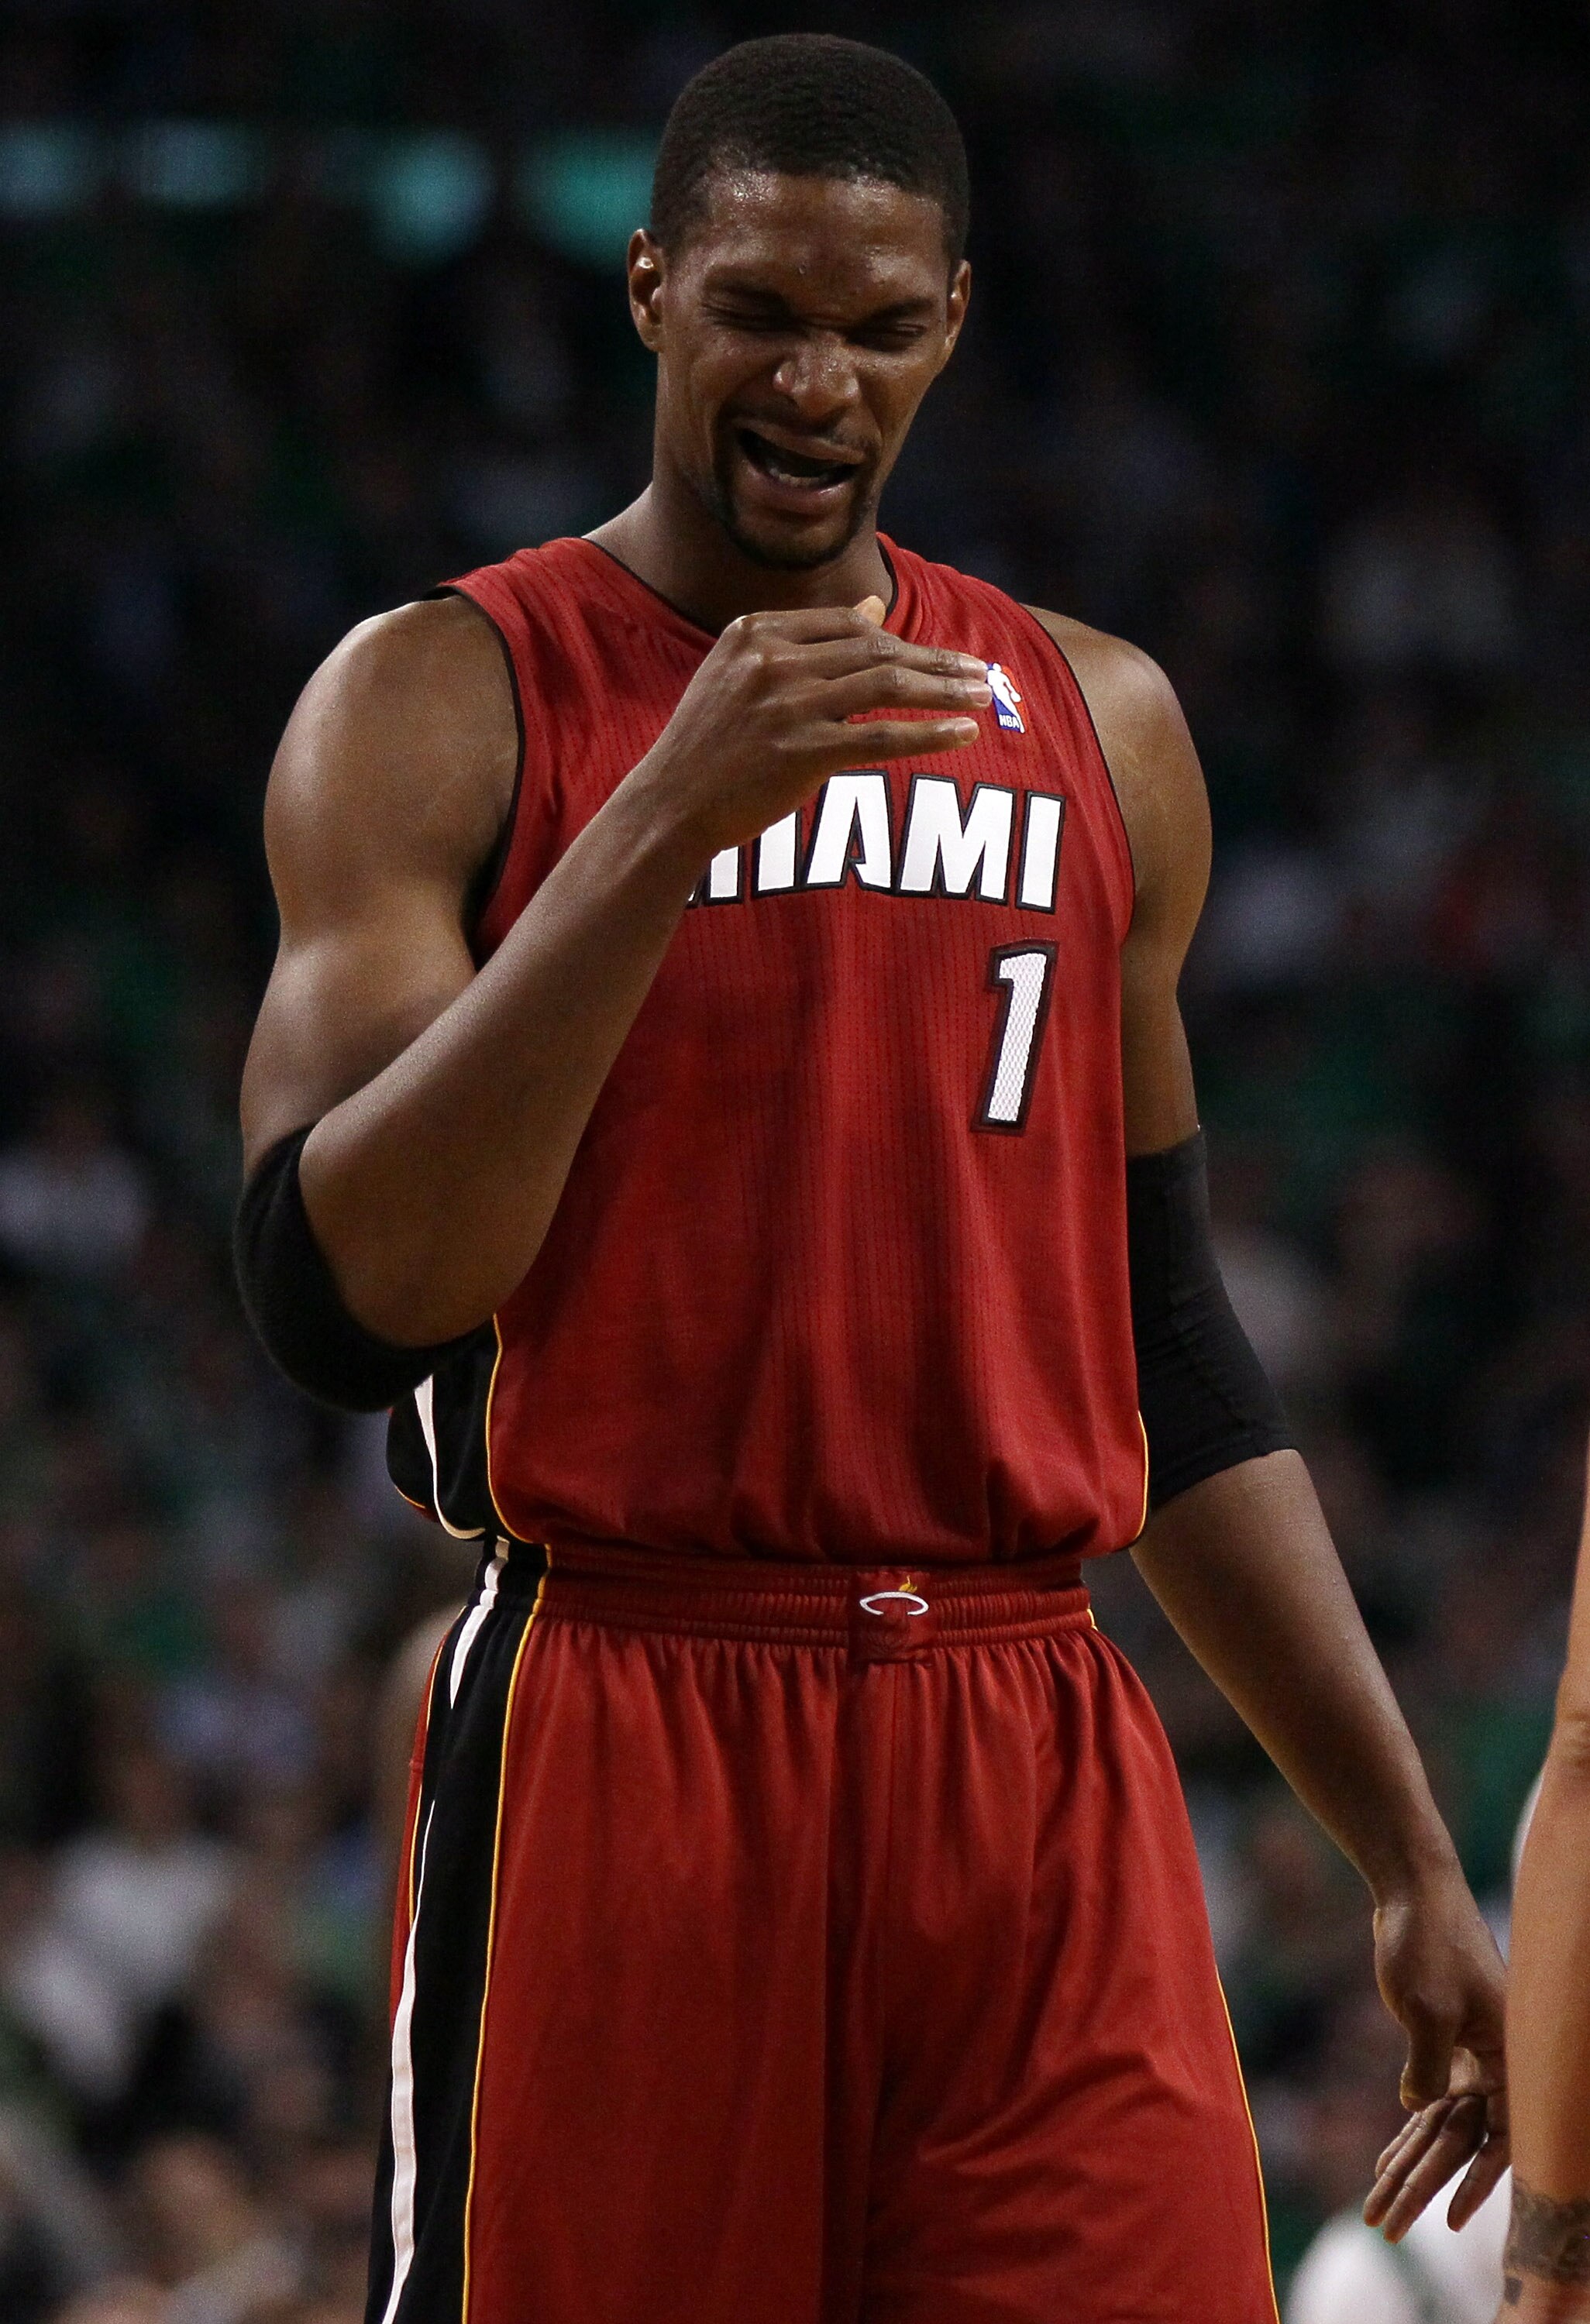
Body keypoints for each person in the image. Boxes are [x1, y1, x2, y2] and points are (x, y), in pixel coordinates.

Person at [235, 35, 1507, 2324]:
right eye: (757, 309)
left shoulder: (1097, 718)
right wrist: (647, 835)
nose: (814, 378)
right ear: (647, 290)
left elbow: (1173, 1352)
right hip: (633, 1712)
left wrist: (1407, 1857)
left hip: (1030, 1740)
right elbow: (344, 1308)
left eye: (876, 323)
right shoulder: (441, 699)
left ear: (953, 323)